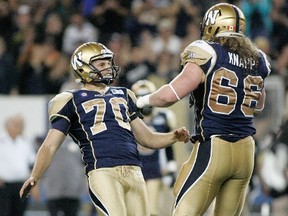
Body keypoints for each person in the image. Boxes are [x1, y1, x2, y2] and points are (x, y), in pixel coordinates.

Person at [19, 42, 190, 216]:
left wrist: (173, 136)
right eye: (101, 64)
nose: (107, 67)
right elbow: (50, 145)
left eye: (108, 63)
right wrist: (35, 175)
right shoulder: (69, 99)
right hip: (103, 171)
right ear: (83, 68)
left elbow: (148, 138)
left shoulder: (124, 94)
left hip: (135, 171)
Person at [136, 3, 271, 216]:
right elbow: (258, 105)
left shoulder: (208, 52)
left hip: (215, 147)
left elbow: (169, 95)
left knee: (184, 211)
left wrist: (141, 100)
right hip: (246, 152)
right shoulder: (257, 58)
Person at [131, 79, 178, 216]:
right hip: (134, 170)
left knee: (152, 211)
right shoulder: (127, 117)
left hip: (155, 169)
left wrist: (171, 168)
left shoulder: (164, 116)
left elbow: (169, 146)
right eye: (139, 97)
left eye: (146, 96)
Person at [0, 114, 35, 216]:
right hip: (4, 186)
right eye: (14, 125)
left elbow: (31, 163)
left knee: (19, 212)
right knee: (4, 212)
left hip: (21, 185)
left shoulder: (25, 142)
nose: (18, 127)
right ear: (7, 126)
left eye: (19, 125)